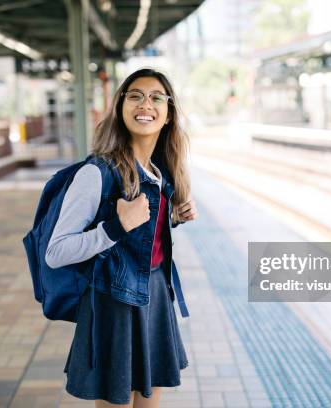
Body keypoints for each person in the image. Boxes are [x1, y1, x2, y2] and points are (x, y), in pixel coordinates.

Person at [45, 68, 197, 407]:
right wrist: (115, 227)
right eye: (135, 96)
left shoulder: (159, 172)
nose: (146, 104)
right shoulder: (96, 173)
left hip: (155, 294)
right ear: (121, 107)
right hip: (114, 303)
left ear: (168, 113)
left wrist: (173, 216)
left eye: (156, 97)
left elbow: (141, 239)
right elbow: (56, 252)